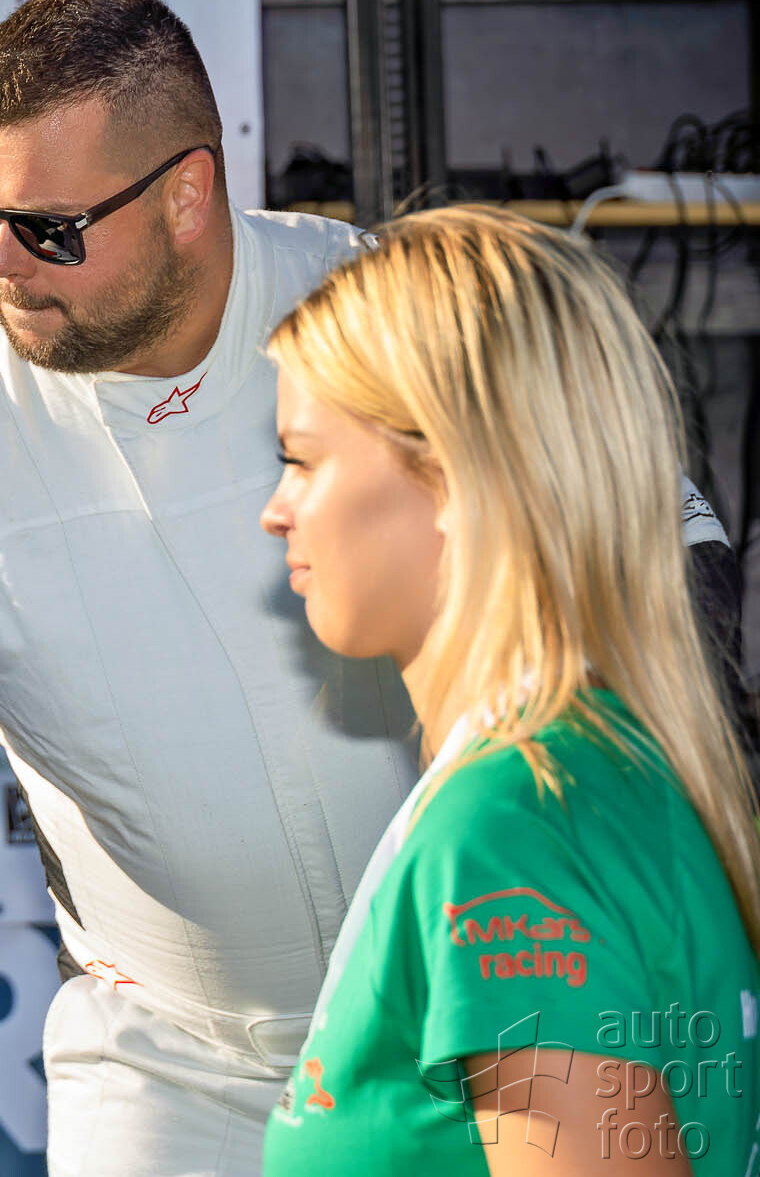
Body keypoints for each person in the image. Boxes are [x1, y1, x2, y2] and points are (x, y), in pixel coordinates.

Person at [0, 0, 745, 1175]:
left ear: (187, 194)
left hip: (477, 1003)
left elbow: (665, 555)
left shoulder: (384, 315)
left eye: (48, 228)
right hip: (170, 1064)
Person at [258, 206, 760, 1176]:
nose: (275, 510)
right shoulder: (602, 766)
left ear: (452, 477)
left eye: (301, 459)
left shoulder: (511, 823)